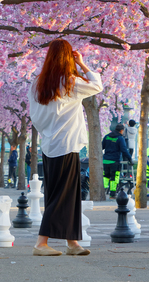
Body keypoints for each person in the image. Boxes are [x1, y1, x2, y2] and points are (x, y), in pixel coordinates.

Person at [28, 39, 103, 256]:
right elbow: (97, 85)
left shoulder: (37, 84)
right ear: (68, 58)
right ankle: (41, 243)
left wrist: (48, 130)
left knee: (64, 193)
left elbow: (35, 116)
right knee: (62, 194)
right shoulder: (70, 81)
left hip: (49, 143)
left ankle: (72, 242)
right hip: (67, 143)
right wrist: (83, 65)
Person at [102, 124, 133, 199]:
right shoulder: (120, 138)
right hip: (114, 161)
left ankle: (103, 191)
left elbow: (101, 146)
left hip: (105, 161)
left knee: (105, 177)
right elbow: (124, 150)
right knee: (114, 178)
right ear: (121, 130)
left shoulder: (107, 136)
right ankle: (112, 194)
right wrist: (130, 159)